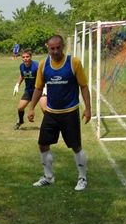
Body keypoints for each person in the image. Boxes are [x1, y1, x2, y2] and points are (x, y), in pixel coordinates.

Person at [26, 35, 91, 191]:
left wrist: (88, 108)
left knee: (76, 146)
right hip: (51, 113)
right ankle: (48, 177)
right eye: (51, 48)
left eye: (57, 48)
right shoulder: (43, 64)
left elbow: (83, 86)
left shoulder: (73, 62)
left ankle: (82, 178)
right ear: (48, 48)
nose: (55, 51)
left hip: (70, 112)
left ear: (62, 47)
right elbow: (38, 88)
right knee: (42, 144)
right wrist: (31, 107)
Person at [13, 49, 39, 130]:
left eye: (27, 57)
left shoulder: (37, 66)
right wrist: (17, 85)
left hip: (39, 90)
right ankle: (20, 121)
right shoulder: (21, 66)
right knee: (20, 108)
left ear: (31, 57)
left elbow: (43, 77)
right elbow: (22, 75)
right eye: (23, 57)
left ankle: (51, 125)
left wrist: (45, 88)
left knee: (45, 109)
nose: (25, 58)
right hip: (29, 90)